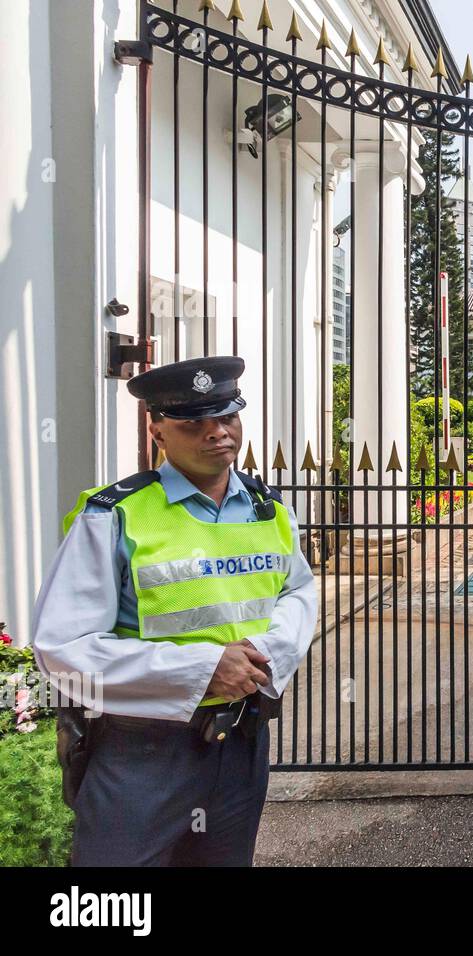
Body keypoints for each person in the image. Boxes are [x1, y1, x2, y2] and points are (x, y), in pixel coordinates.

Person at [32, 355, 318, 866]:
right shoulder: (114, 515)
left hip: (242, 741)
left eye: (227, 416)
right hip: (143, 750)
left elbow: (297, 593)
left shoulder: (269, 508)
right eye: (194, 423)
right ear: (158, 431)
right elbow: (63, 647)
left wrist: (264, 654)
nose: (218, 433)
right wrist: (203, 669)